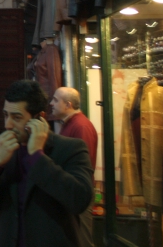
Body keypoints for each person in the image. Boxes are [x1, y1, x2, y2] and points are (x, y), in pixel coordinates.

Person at [0, 80, 93, 247]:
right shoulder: (6, 151)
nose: (8, 125)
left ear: (38, 118)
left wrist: (37, 157)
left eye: (17, 117)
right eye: (6, 115)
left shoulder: (70, 149)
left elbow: (79, 200)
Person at [50, 87, 98, 247]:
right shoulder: (70, 124)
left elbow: (83, 165)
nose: (51, 103)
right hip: (70, 191)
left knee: (81, 239)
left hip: (78, 192)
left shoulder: (81, 126)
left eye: (56, 100)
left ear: (68, 104)